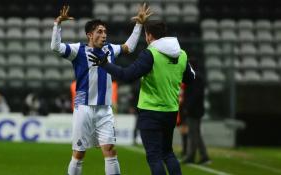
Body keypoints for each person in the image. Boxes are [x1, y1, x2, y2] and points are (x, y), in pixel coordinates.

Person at [50, 4, 152, 175]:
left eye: (105, 32)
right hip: (84, 108)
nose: (104, 35)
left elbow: (129, 47)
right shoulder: (78, 50)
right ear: (89, 34)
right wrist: (57, 24)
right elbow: (55, 47)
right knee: (79, 153)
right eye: (99, 31)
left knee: (110, 150)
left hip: (105, 109)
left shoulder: (110, 49)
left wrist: (139, 25)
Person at [89, 20, 195, 175]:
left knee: (154, 157)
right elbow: (190, 78)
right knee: (168, 153)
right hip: (171, 111)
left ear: (149, 35)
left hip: (150, 112)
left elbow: (127, 75)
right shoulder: (182, 54)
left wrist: (105, 64)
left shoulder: (150, 53)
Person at [182, 71, 211, 165]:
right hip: (196, 110)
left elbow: (194, 95)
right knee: (195, 134)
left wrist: (187, 107)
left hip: (193, 111)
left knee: (193, 134)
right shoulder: (198, 78)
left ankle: (193, 156)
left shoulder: (194, 79)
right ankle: (202, 156)